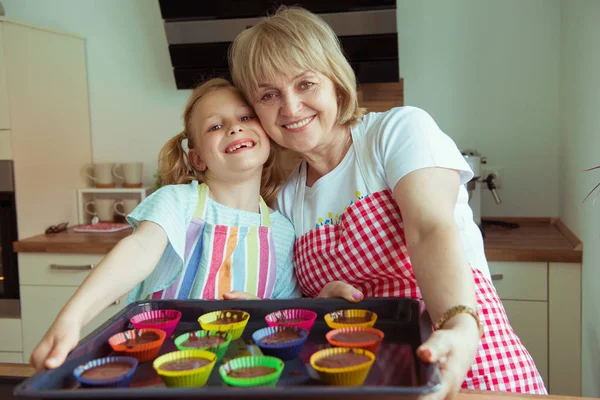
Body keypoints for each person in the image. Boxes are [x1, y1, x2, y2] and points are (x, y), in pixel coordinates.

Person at [229, 6, 547, 397]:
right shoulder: (286, 196)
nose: (290, 107)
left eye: (305, 83)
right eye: (269, 94)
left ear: (335, 80)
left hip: (466, 356)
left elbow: (430, 230)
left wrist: (461, 326)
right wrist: (318, 307)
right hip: (368, 379)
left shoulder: (394, 132)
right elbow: (306, 302)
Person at [30, 78, 302, 371]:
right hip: (158, 369)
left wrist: (258, 308)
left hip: (240, 372)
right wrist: (72, 319)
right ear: (197, 158)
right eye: (215, 126)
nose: (234, 127)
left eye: (246, 117)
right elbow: (139, 248)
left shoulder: (282, 231)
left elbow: (284, 320)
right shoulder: (176, 202)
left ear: (269, 139)